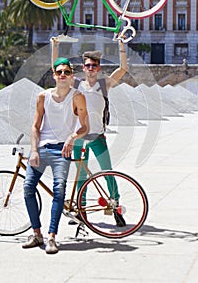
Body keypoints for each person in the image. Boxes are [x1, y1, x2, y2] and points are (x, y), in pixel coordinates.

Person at [51, 37, 128, 227]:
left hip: (97, 137)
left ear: (99, 68)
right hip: (79, 137)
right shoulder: (75, 84)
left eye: (94, 65)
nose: (91, 68)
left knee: (108, 172)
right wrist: (55, 47)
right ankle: (81, 211)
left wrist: (121, 45)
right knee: (81, 176)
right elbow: (56, 70)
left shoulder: (104, 84)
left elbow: (123, 69)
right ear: (83, 68)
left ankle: (115, 207)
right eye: (88, 65)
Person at [22, 57, 88, 254]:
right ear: (53, 75)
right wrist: (34, 150)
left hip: (62, 150)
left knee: (59, 191)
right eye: (59, 72)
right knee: (27, 188)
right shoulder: (43, 96)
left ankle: (52, 237)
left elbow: (85, 126)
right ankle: (36, 233)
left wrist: (72, 137)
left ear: (72, 77)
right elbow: (35, 126)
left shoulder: (77, 97)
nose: (62, 75)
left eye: (66, 72)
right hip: (42, 148)